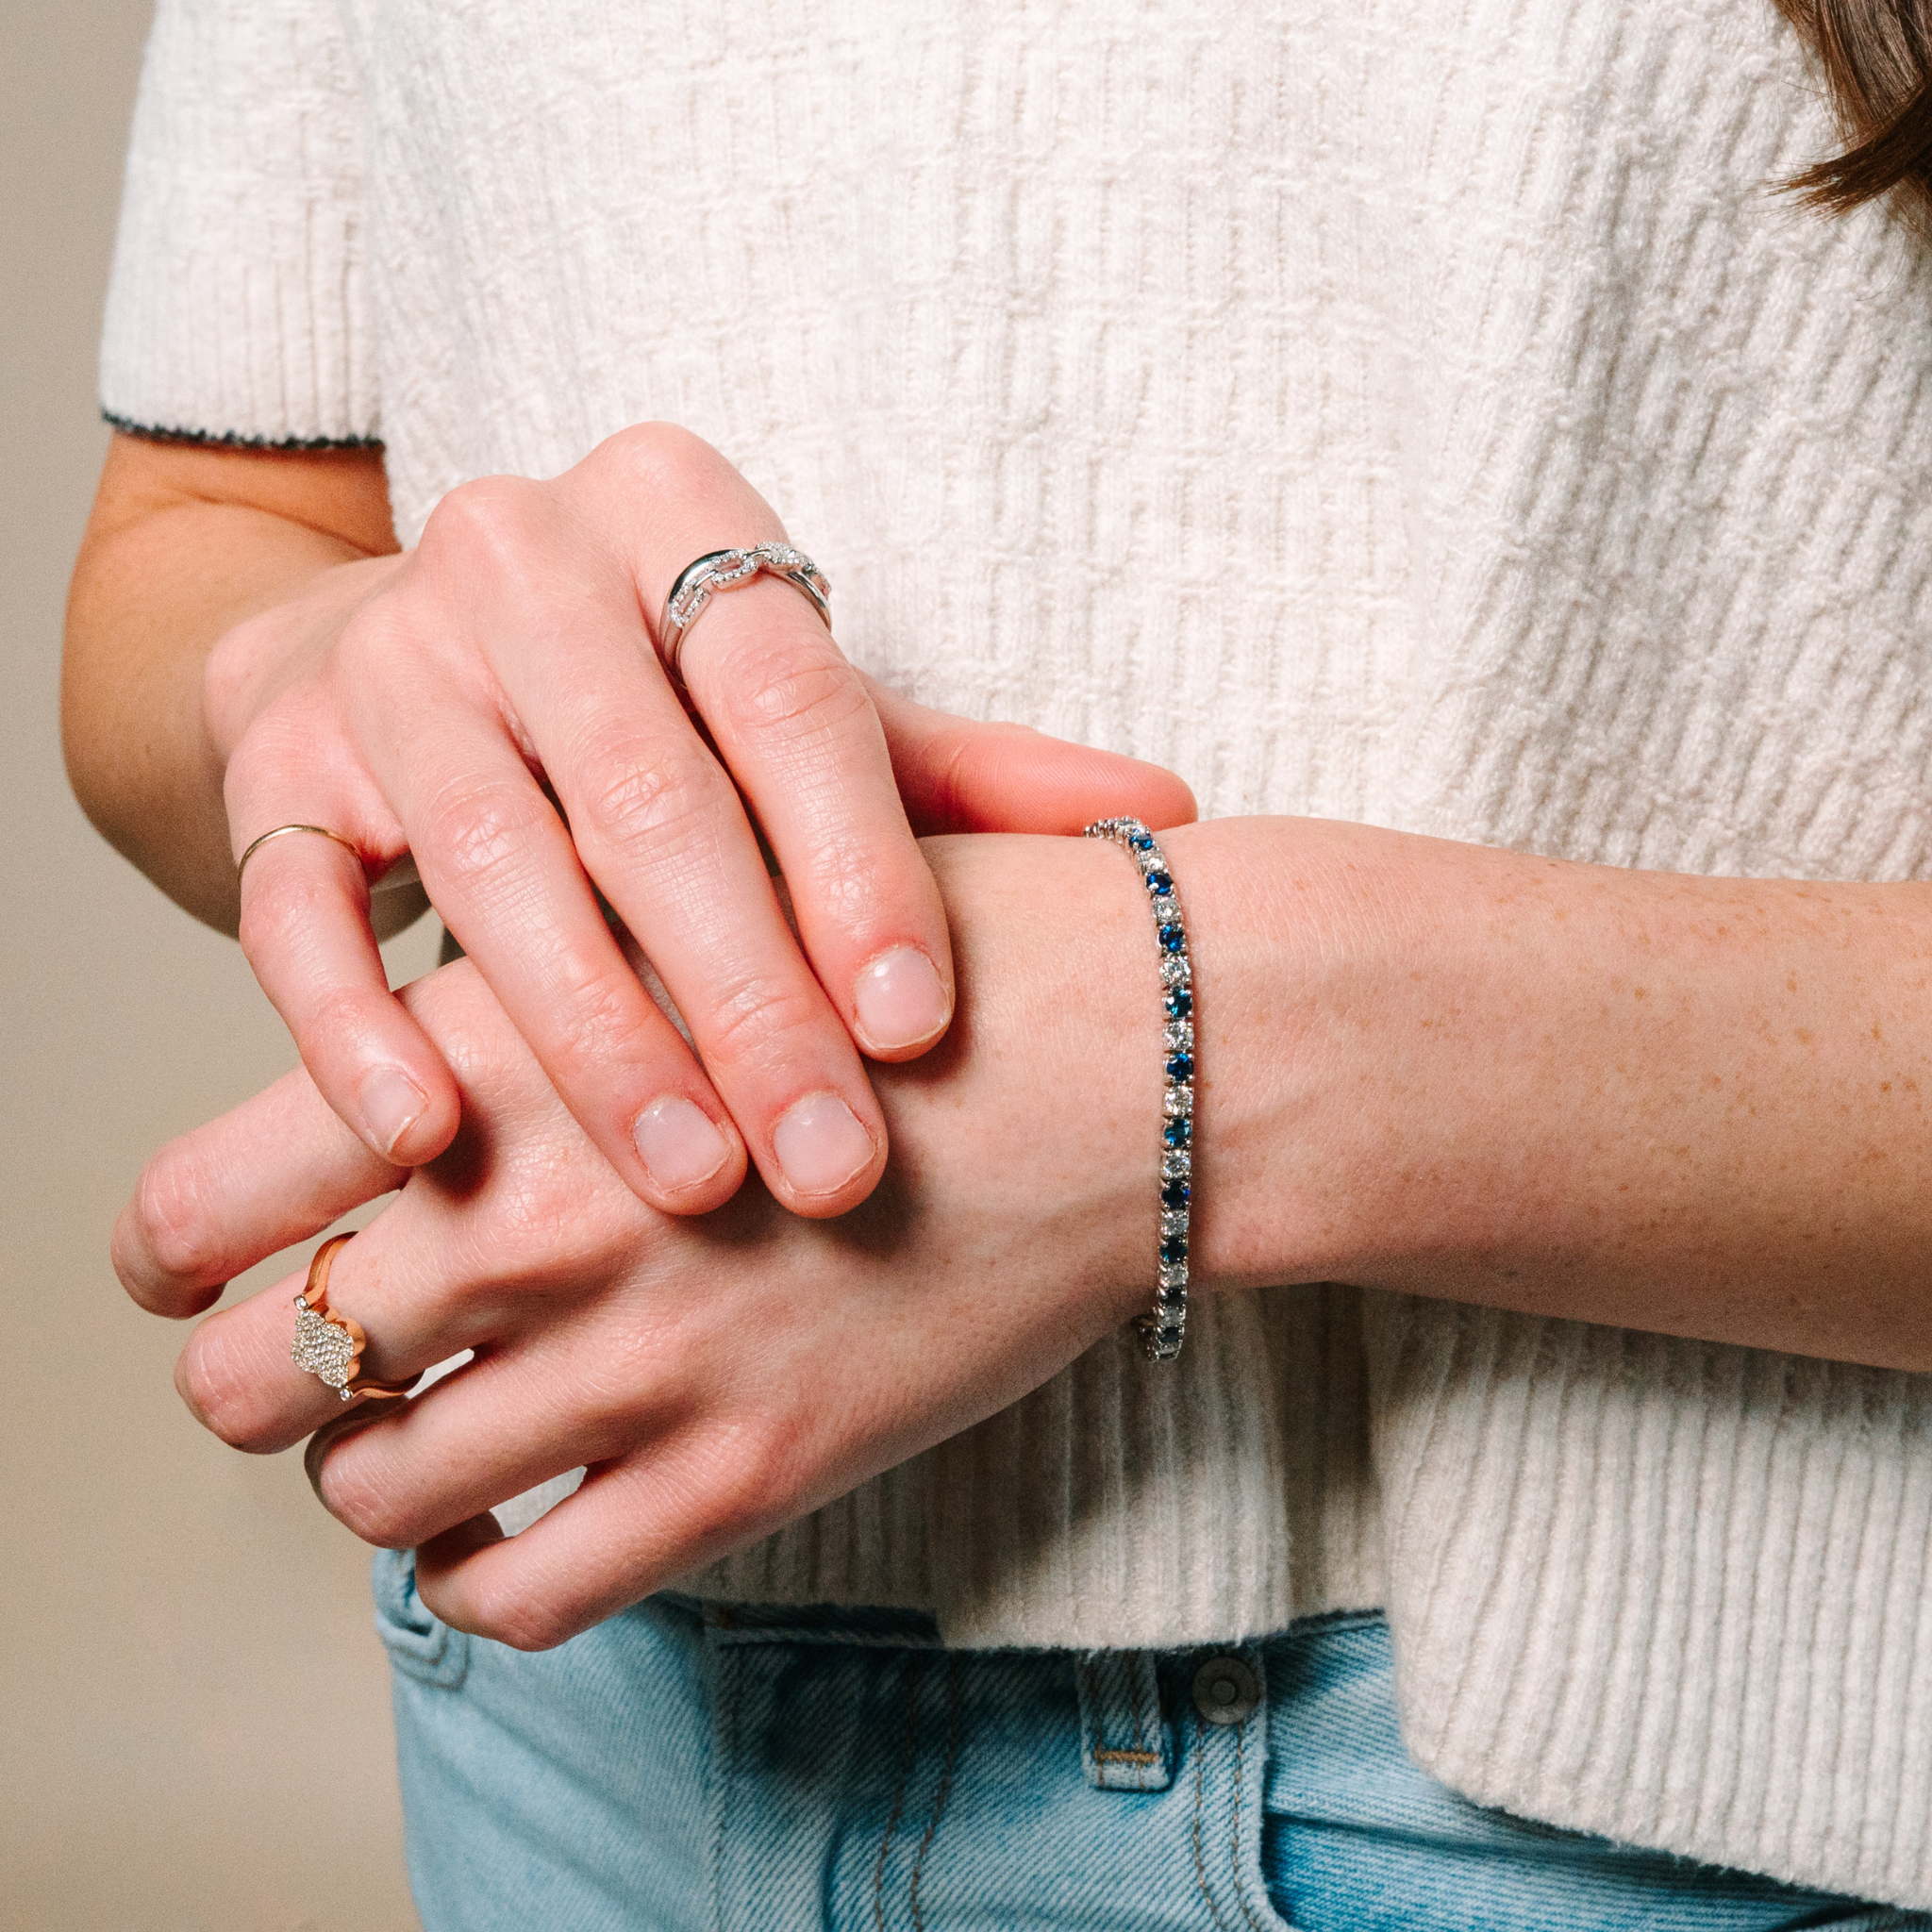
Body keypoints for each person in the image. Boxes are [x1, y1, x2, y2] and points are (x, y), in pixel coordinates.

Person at [63, 0, 1932, 1925]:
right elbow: (218, 525)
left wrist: (1196, 1048)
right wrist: (337, 675)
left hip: (1665, 1817)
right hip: (592, 1740)